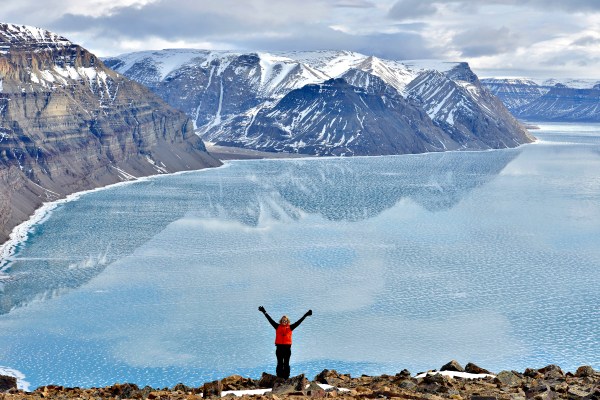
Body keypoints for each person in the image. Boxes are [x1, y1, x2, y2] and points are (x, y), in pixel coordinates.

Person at [258, 306, 312, 379]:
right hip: (279, 348)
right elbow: (270, 320)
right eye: (283, 320)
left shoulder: (290, 327)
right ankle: (279, 378)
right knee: (280, 363)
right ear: (281, 321)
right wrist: (264, 312)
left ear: (287, 321)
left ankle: (286, 378)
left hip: (287, 349)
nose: (284, 321)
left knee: (286, 364)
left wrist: (306, 315)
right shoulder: (277, 326)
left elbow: (299, 322)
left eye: (286, 320)